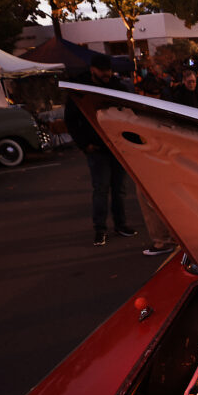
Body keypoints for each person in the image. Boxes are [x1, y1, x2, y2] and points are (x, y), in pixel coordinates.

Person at [64, 53, 148, 249]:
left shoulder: (116, 86)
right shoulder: (81, 89)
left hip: (116, 145)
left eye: (108, 71)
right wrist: (85, 144)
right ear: (93, 69)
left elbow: (126, 114)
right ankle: (100, 229)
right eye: (103, 71)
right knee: (101, 189)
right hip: (96, 148)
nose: (107, 74)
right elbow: (71, 120)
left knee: (119, 189)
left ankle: (120, 224)